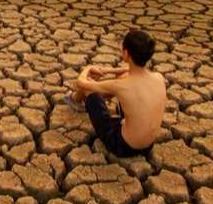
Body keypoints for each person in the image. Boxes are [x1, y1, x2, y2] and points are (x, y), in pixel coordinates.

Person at [66, 29, 165, 157]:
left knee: (89, 90)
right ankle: (77, 100)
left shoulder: (121, 86)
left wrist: (88, 68)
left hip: (123, 146)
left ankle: (74, 99)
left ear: (126, 53)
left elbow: (81, 83)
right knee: (123, 76)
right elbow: (129, 70)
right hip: (148, 145)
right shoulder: (158, 77)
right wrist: (107, 71)